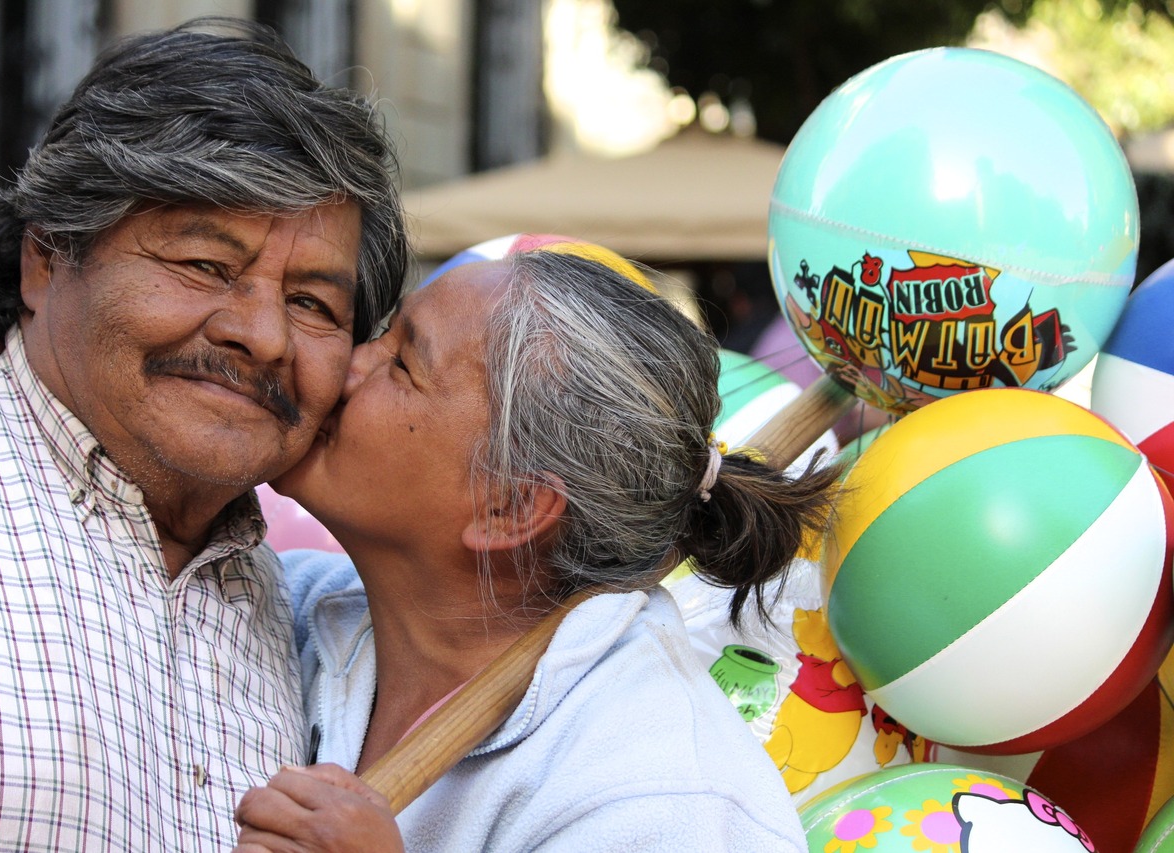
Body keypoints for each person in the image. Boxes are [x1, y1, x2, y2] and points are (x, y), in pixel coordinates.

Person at [0, 18, 406, 850]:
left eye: (314, 302)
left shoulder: (321, 632)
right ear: (48, 258)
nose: (265, 336)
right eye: (206, 265)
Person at [232, 247, 841, 851]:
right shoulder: (267, 603)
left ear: (510, 508)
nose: (343, 364)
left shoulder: (665, 798)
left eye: (402, 363)